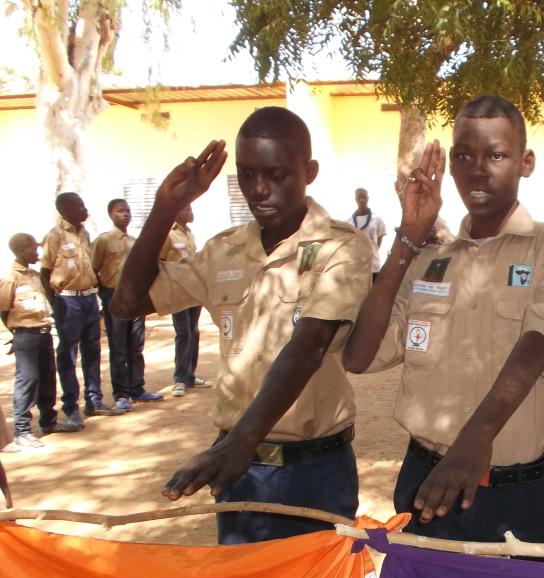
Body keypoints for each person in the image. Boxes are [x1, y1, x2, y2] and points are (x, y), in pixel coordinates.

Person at [111, 107, 374, 544]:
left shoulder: (341, 248)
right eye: (247, 175)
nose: (259, 190)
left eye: (275, 174)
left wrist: (242, 441)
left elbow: (309, 346)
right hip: (239, 467)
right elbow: (127, 302)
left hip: (312, 468)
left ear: (308, 171)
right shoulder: (224, 251)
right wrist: (166, 207)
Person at [345, 95, 544, 548]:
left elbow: (537, 342)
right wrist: (408, 238)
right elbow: (360, 355)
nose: (478, 169)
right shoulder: (429, 258)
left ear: (526, 162)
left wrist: (475, 438)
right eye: (463, 155)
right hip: (426, 483)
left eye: (496, 154)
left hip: (512, 492)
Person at [40, 192, 123, 426]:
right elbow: (45, 273)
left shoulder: (85, 234)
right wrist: (54, 305)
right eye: (78, 205)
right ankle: (70, 407)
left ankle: (94, 400)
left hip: (88, 298)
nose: (84, 209)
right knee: (68, 354)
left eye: (83, 204)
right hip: (67, 300)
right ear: (64, 209)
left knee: (93, 350)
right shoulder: (54, 236)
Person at [0, 234, 72, 447]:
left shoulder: (34, 275)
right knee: (28, 380)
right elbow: (3, 310)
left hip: (43, 333)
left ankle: (48, 421)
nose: (37, 252)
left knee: (47, 378)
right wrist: (17, 333)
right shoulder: (10, 278)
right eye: (33, 249)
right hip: (26, 335)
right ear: (22, 251)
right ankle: (22, 431)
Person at [92, 199, 163, 411]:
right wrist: (104, 296)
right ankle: (121, 393)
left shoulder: (134, 241)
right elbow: (93, 268)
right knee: (119, 346)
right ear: (110, 214)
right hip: (114, 294)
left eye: (127, 210)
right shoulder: (104, 241)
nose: (125, 214)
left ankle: (137, 388)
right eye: (120, 211)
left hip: (136, 296)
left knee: (136, 344)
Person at [161, 204, 210, 397]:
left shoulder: (189, 234)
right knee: (183, 333)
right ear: (177, 212)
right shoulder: (169, 235)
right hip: (178, 290)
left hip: (194, 289)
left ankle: (190, 374)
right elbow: (160, 261)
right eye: (188, 209)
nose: (192, 212)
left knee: (193, 331)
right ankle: (179, 378)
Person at [349, 187, 387, 281]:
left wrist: (372, 250)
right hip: (356, 267)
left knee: (373, 293)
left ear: (368, 199)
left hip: (373, 266)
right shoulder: (349, 222)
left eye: (364, 197)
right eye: (359, 197)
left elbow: (379, 239)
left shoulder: (377, 219)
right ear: (355, 199)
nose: (362, 200)